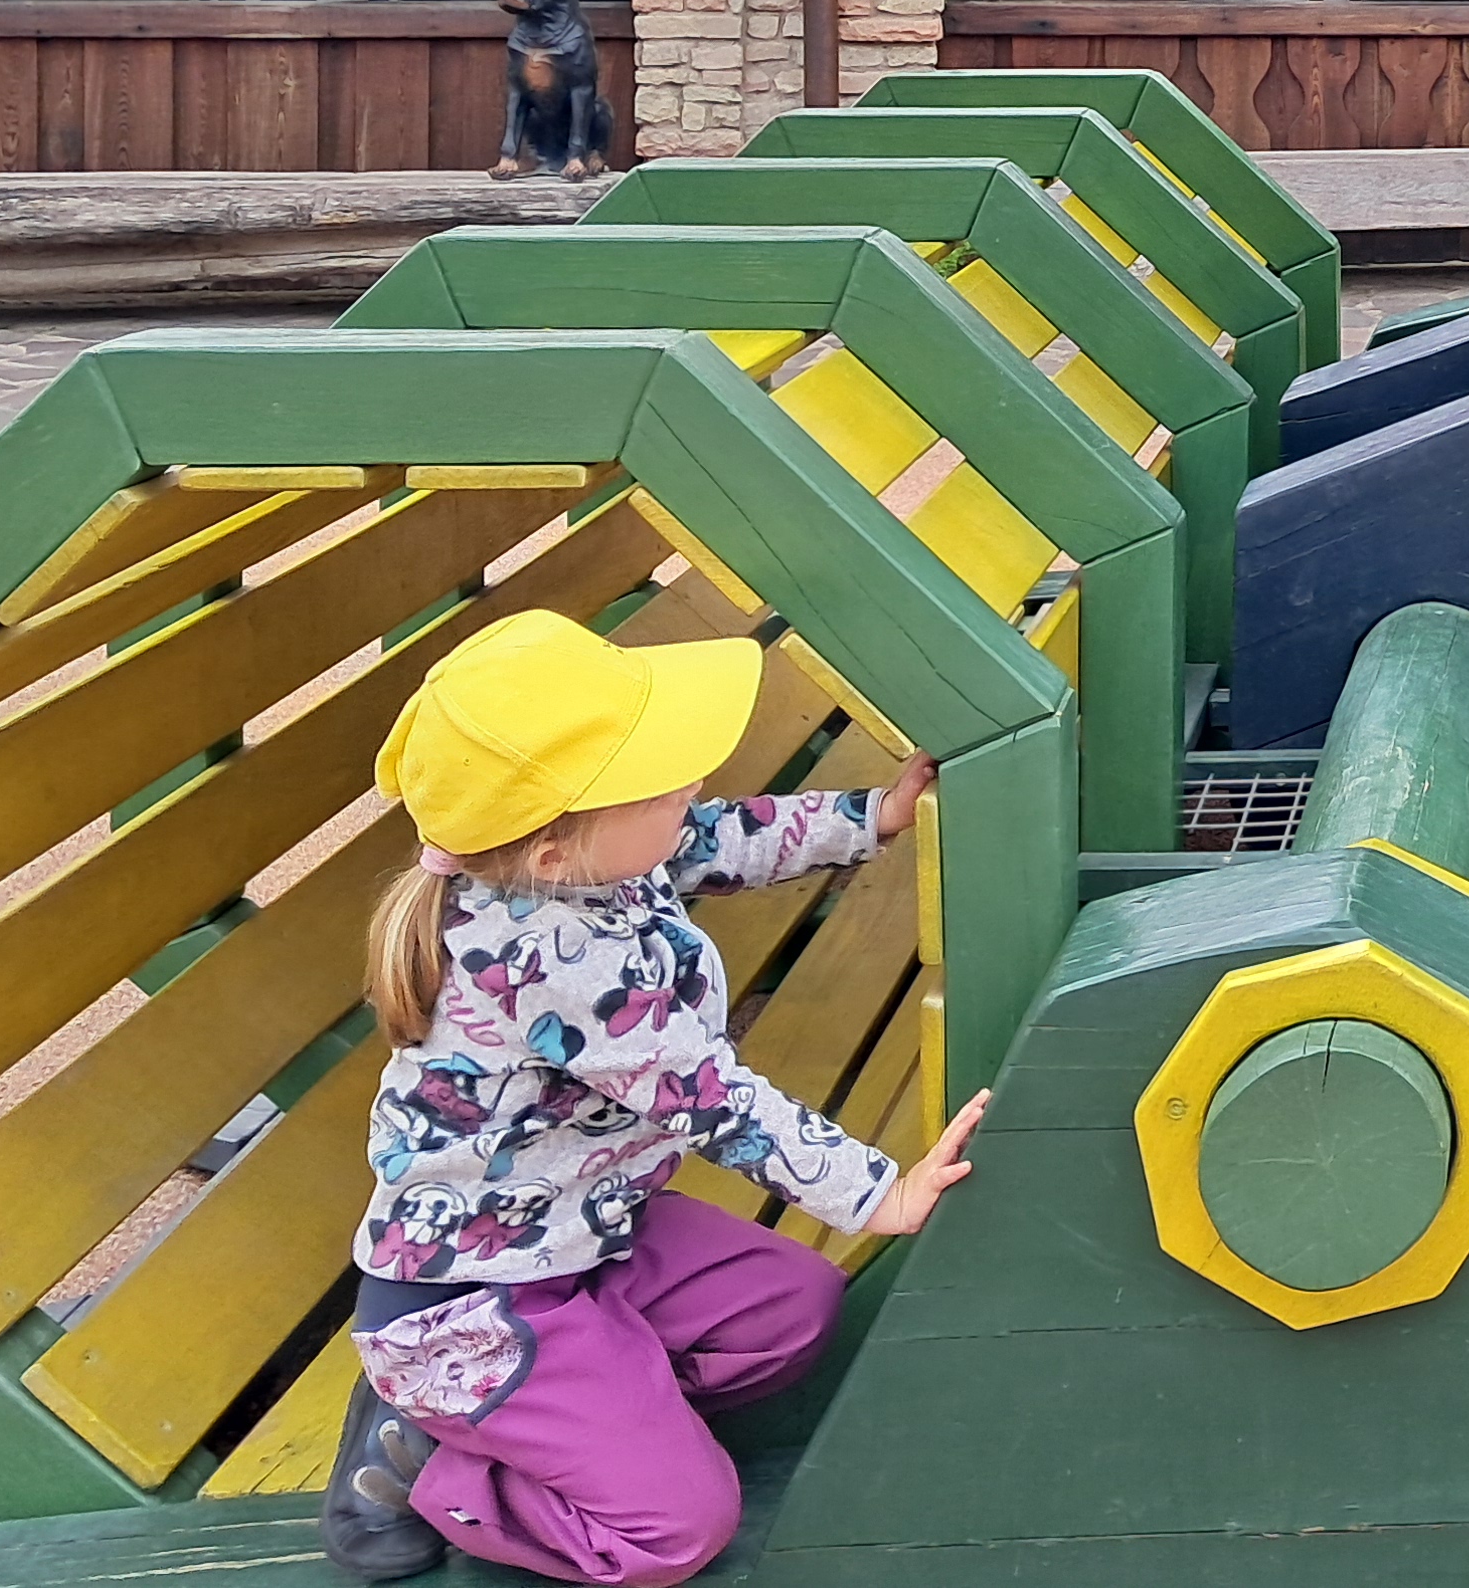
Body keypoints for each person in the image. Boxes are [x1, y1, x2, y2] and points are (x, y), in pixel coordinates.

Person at [326, 609, 982, 1586]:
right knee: (678, 1530)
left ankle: (568, 1410)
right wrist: (876, 1193)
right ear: (556, 848)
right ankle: (442, 1454)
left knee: (792, 1309)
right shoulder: (550, 960)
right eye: (657, 775)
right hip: (476, 1301)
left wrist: (871, 816)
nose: (691, 783)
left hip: (585, 1236)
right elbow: (707, 1097)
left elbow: (718, 837)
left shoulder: (587, 863)